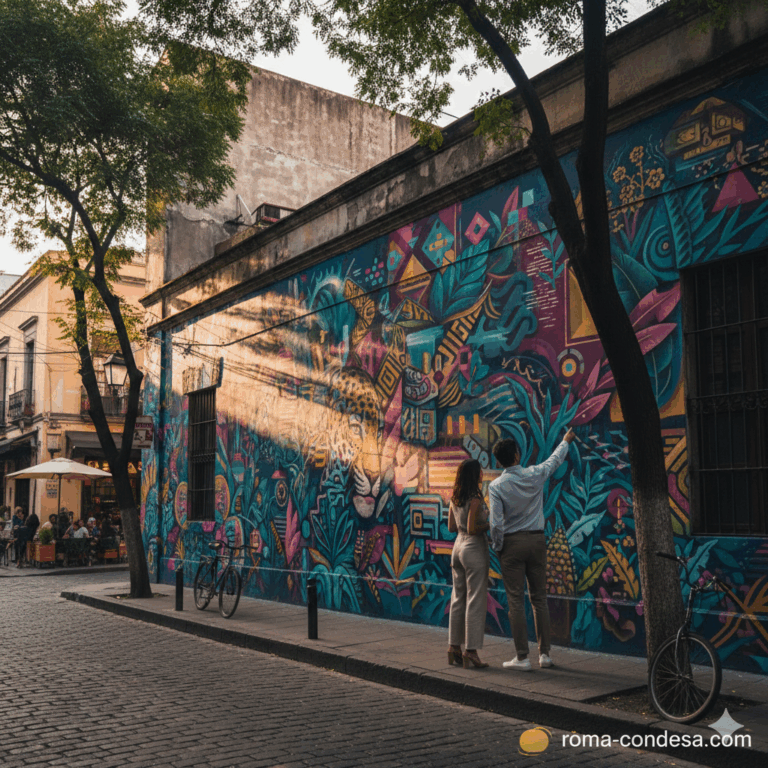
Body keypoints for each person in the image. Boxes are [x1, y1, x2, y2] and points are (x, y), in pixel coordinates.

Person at [489, 427, 577, 671]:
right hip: (537, 541)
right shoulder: (534, 474)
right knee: (540, 599)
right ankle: (545, 654)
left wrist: (498, 547)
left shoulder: (496, 487)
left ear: (499, 460)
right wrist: (565, 441)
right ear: (517, 455)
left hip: (512, 544)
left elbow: (496, 523)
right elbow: (553, 461)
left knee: (515, 601)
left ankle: (522, 656)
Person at [447, 458, 491, 669]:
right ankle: (471, 652)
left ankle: (453, 647)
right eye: (480, 472)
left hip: (457, 547)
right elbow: (474, 528)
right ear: (475, 475)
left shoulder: (455, 497)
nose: (482, 475)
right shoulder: (475, 498)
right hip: (473, 548)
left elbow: (451, 526)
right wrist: (490, 524)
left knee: (458, 598)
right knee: (475, 599)